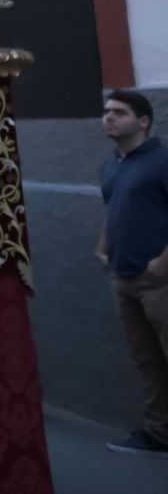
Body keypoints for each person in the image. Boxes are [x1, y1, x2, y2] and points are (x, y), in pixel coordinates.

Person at [96, 89, 168, 457]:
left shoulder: (162, 158)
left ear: (142, 121)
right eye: (107, 112)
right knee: (147, 360)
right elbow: (113, 208)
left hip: (160, 280)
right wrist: (102, 247)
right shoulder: (110, 164)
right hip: (121, 277)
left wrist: (162, 262)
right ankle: (159, 434)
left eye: (119, 112)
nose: (109, 117)